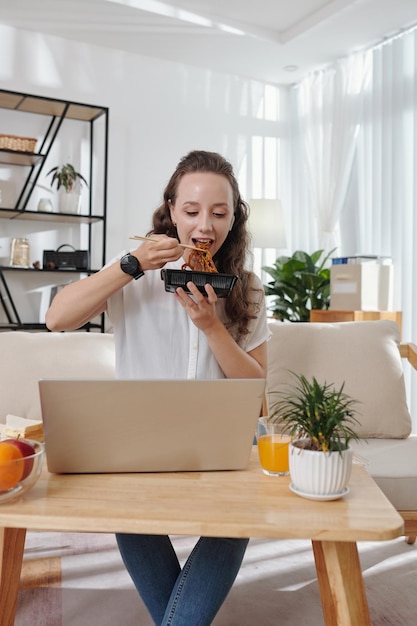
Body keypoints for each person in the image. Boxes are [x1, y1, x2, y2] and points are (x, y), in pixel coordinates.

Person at [46, 149, 269, 626]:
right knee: (128, 509)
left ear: (234, 218)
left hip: (220, 443)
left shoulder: (246, 287)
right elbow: (56, 318)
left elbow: (258, 395)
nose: (204, 226)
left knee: (239, 515)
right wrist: (129, 264)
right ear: (171, 210)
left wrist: (213, 328)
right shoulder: (134, 275)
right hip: (139, 442)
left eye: (219, 212)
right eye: (191, 211)